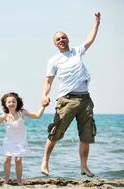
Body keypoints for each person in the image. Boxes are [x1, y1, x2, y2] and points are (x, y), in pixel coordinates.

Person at [40, 12, 101, 177]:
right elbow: (48, 81)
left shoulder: (77, 51)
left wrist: (96, 23)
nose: (61, 40)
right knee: (56, 131)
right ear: (55, 44)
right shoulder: (53, 60)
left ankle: (84, 166)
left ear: (68, 39)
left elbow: (90, 39)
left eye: (63, 37)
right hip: (67, 99)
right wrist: (45, 95)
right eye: (58, 39)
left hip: (85, 100)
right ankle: (45, 161)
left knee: (87, 135)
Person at [0, 92, 45, 185]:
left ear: (17, 102)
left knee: (18, 160)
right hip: (9, 141)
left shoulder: (22, 112)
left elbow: (37, 116)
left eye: (13, 101)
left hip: (21, 141)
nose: (11, 103)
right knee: (7, 159)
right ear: (5, 104)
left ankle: (19, 180)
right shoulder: (4, 116)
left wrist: (43, 106)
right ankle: (6, 180)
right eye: (9, 102)